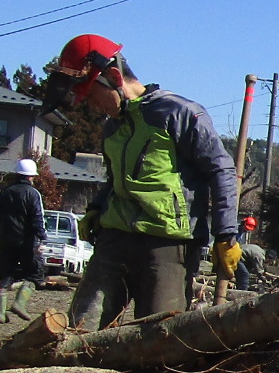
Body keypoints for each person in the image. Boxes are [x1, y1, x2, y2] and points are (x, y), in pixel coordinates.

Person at [41, 35, 241, 328]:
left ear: (113, 76)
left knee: (159, 336)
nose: (93, 105)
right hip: (114, 239)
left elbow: (221, 171)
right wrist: (97, 207)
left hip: (169, 243)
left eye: (93, 95)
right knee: (83, 326)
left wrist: (225, 234)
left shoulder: (179, 113)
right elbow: (115, 178)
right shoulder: (112, 128)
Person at [0, 157, 47, 328]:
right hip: (27, 242)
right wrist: (42, 237)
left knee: (4, 276)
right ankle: (19, 304)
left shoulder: (4, 193)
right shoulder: (33, 194)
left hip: (6, 241)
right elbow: (37, 218)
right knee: (35, 274)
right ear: (31, 177)